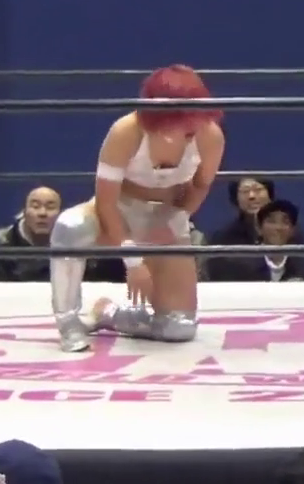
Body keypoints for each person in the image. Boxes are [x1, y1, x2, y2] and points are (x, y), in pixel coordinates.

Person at [49, 64, 225, 352]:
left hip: (166, 215)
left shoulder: (210, 136)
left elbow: (200, 186)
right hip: (118, 211)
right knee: (71, 227)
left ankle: (110, 314)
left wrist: (176, 219)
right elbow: (105, 200)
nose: (190, 128)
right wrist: (133, 260)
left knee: (179, 327)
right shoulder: (126, 131)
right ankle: (68, 322)